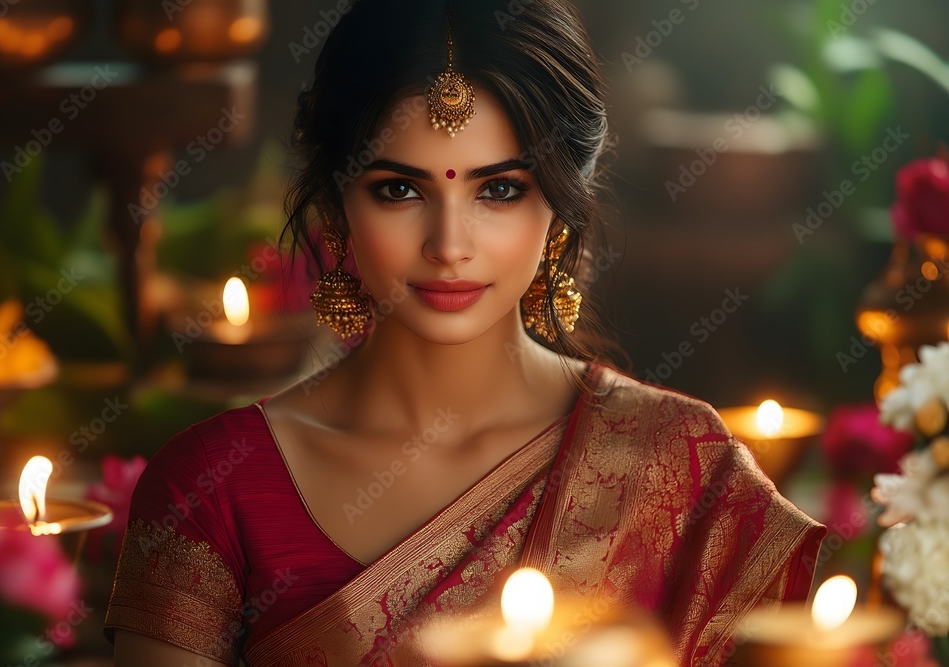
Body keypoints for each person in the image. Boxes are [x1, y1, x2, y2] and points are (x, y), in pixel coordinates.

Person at [103, 1, 826, 665]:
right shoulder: (212, 489)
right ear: (334, 201)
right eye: (400, 189)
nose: (450, 243)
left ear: (564, 201)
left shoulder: (681, 469)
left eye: (500, 189)